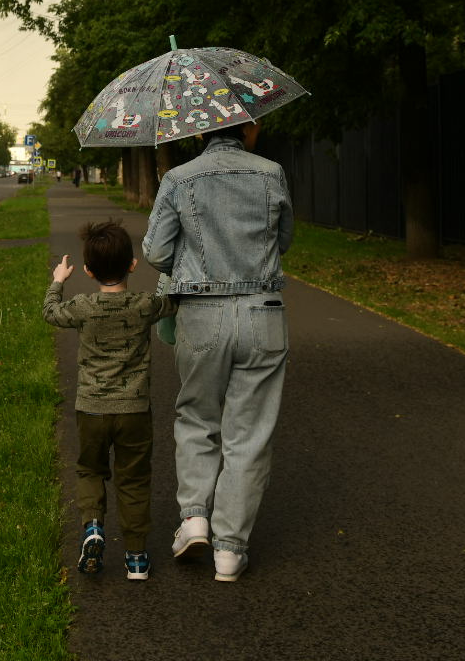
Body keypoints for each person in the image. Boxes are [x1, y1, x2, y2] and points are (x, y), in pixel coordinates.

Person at [142, 118, 293, 582]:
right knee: (249, 434)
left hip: (201, 314)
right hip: (262, 313)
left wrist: (192, 255)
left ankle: (194, 520)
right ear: (249, 128)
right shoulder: (272, 173)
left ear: (198, 133)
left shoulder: (178, 179)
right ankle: (230, 549)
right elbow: (283, 241)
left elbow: (154, 251)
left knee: (196, 417)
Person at [43, 220, 176, 580]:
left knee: (90, 470)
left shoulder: (83, 306)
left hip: (91, 409)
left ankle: (93, 527)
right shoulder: (144, 305)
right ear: (132, 265)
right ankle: (136, 558)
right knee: (133, 480)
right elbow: (172, 303)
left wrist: (58, 280)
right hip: (134, 410)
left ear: (87, 271)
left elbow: (50, 312)